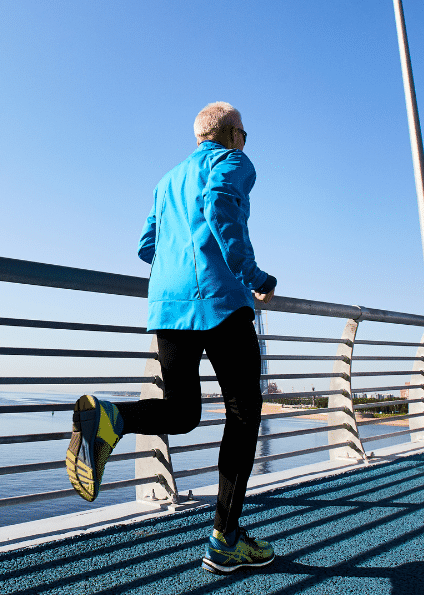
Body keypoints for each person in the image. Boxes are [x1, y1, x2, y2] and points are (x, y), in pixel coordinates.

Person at [65, 101, 277, 574]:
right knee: (244, 415)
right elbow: (220, 207)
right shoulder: (233, 161)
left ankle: (110, 416)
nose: (246, 140)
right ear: (231, 134)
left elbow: (146, 245)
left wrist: (179, 269)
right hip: (221, 302)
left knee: (182, 412)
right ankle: (225, 538)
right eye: (244, 132)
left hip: (167, 305)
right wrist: (254, 275)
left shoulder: (166, 180)